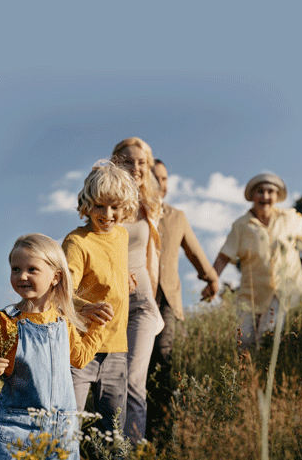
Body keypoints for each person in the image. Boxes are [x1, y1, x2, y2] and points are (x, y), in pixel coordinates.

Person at [0, 233, 109, 460]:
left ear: (55, 277)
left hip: (62, 430)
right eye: (15, 269)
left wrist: (99, 326)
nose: (22, 276)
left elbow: (79, 358)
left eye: (32, 270)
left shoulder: (62, 320)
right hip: (18, 428)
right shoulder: (7, 322)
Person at [62, 161, 140, 434]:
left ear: (126, 207)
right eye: (99, 206)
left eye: (115, 207)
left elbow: (108, 264)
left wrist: (124, 276)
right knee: (68, 426)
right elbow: (60, 292)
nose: (108, 214)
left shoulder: (121, 235)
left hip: (116, 348)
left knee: (112, 432)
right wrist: (86, 308)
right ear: (87, 204)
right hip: (81, 349)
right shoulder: (77, 242)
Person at [146, 159, 219, 440]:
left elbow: (194, 250)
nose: (161, 184)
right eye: (155, 178)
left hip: (167, 300)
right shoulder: (130, 213)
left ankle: (161, 433)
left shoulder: (177, 216)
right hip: (136, 298)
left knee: (164, 359)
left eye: (165, 178)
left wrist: (211, 278)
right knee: (137, 365)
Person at [213, 173, 302, 350]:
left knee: (268, 340)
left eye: (270, 192)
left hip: (281, 292)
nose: (265, 197)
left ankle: (266, 374)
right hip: (250, 294)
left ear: (276, 196)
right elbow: (224, 256)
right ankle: (248, 376)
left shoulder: (289, 218)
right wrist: (212, 281)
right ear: (252, 196)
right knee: (245, 342)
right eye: (260, 191)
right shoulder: (241, 225)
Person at [111, 137, 163, 442]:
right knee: (110, 382)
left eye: (142, 162)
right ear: (116, 163)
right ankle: (109, 443)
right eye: (128, 161)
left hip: (142, 304)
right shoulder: (104, 202)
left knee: (133, 379)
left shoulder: (150, 206)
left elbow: (152, 259)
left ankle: (131, 447)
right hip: (109, 305)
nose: (136, 168)